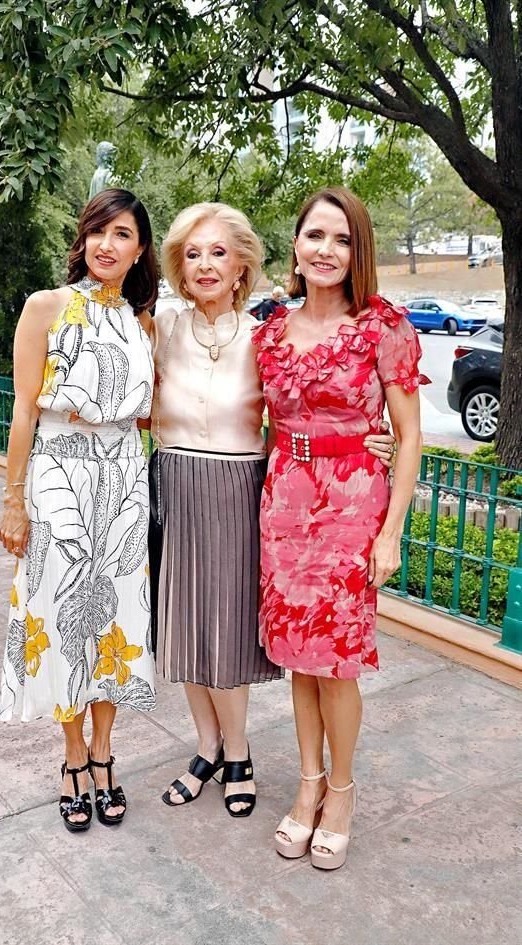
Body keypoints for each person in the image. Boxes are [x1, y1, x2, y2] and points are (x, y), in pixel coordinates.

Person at [143, 202, 396, 819]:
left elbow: (307, 403)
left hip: (240, 486)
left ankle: (238, 753)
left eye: (219, 253)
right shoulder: (160, 327)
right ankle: (205, 747)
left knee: (225, 626)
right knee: (179, 623)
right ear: (178, 264)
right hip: (171, 481)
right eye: (193, 253)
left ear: (242, 266)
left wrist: (369, 436)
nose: (205, 264)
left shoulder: (266, 334)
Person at [253, 186, 426, 869]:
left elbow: (409, 436)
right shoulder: (270, 330)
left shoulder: (384, 327)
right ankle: (308, 783)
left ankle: (343, 790)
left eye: (342, 239)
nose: (327, 250)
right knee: (299, 655)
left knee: (337, 660)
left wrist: (391, 531)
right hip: (284, 501)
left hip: (354, 505)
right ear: (295, 244)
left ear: (359, 251)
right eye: (315, 236)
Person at [0, 188, 158, 834]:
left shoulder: (143, 321)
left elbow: (152, 411)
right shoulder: (46, 307)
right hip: (58, 472)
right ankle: (71, 757)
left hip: (124, 478)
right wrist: (13, 498)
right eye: (97, 231)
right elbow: (23, 410)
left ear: (140, 248)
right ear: (81, 239)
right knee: (62, 618)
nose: (106, 244)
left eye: (121, 233)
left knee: (114, 620)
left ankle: (104, 751)